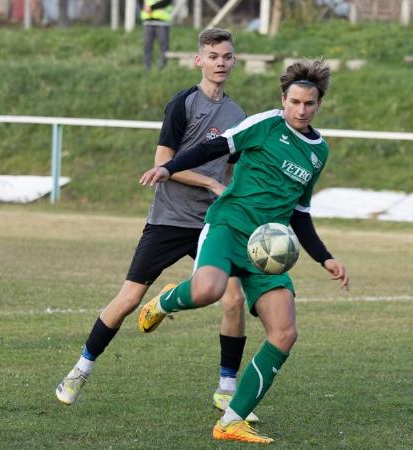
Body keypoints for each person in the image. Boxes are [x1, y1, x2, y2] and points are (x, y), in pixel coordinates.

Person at [138, 60, 350, 444]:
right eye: (295, 102)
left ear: (319, 105)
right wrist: (169, 168)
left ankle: (231, 421)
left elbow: (300, 213)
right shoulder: (265, 124)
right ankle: (165, 301)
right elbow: (212, 147)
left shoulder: (319, 153)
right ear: (283, 99)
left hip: (268, 246)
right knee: (208, 290)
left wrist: (326, 257)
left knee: (285, 332)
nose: (301, 110)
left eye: (310, 104)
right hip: (229, 225)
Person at [56, 28, 261, 421]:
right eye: (213, 56)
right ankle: (79, 370)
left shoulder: (238, 116)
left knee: (233, 298)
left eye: (227, 56)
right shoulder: (183, 104)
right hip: (169, 219)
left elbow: (231, 171)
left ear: (234, 61)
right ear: (198, 60)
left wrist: (236, 198)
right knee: (128, 299)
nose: (221, 63)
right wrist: (209, 181)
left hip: (212, 222)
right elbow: (163, 164)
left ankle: (226, 390)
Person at [139, 0, 173, 69]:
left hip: (162, 22)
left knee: (164, 46)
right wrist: (143, 6)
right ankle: (147, 69)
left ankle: (162, 68)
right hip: (148, 21)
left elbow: (166, 2)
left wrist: (151, 7)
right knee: (147, 46)